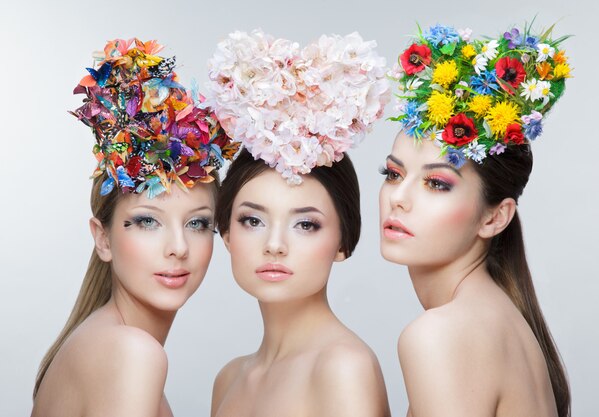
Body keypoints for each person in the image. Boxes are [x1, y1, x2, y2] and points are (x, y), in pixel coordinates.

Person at [31, 38, 237, 417]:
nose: (178, 247)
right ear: (103, 238)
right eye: (147, 221)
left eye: (197, 223)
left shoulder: (99, 341)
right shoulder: (131, 354)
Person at [380, 24, 572, 417]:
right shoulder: (504, 321)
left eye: (436, 183)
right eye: (393, 174)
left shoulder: (441, 335)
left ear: (495, 217)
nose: (398, 198)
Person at [205, 30, 391, 417]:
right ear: (225, 233)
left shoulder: (343, 368)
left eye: (305, 225)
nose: (275, 244)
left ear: (343, 242)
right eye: (252, 220)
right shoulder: (229, 379)